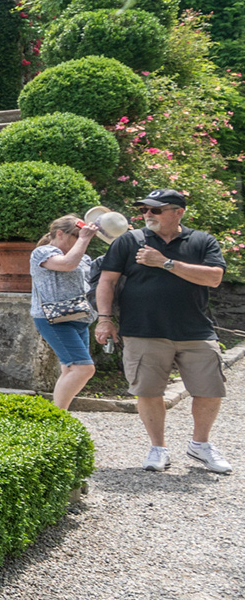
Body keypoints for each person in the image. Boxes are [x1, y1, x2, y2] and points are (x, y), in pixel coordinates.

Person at [94, 188, 232, 473]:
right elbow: (107, 281)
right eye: (144, 209)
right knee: (148, 391)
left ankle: (200, 445)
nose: (147, 214)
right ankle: (158, 448)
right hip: (142, 330)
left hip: (196, 330)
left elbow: (214, 278)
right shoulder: (129, 241)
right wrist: (104, 319)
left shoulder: (202, 241)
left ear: (178, 212)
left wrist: (165, 263)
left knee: (210, 389)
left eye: (155, 210)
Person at [30, 214, 101, 410]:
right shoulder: (43, 252)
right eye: (76, 235)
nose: (80, 240)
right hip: (53, 319)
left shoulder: (82, 256)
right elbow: (67, 264)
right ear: (60, 234)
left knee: (70, 369)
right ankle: (57, 415)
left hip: (80, 317)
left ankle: (59, 414)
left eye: (81, 236)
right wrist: (84, 239)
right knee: (84, 368)